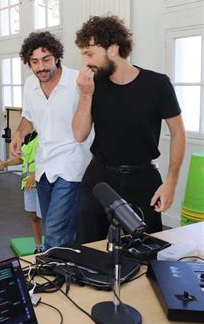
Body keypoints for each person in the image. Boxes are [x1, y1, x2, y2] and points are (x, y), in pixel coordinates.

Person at [73, 15, 186, 243]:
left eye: (90, 53)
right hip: (100, 177)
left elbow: (178, 133)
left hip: (143, 178)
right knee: (87, 248)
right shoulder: (94, 86)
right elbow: (79, 134)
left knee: (149, 250)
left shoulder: (157, 85)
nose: (85, 62)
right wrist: (86, 94)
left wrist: (171, 182)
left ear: (113, 49)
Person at [10, 31, 92, 250]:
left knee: (55, 234)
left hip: (72, 165)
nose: (41, 67)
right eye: (35, 62)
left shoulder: (78, 82)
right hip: (43, 165)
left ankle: (53, 275)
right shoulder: (30, 84)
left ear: (56, 56)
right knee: (57, 230)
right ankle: (71, 271)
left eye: (46, 60)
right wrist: (19, 134)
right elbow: (29, 116)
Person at [0, 130, 43, 253]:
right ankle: (38, 247)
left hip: (41, 182)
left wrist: (35, 175)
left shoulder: (43, 135)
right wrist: (5, 164)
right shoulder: (27, 136)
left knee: (46, 217)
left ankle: (51, 247)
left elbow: (50, 159)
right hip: (28, 184)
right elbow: (22, 159)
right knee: (34, 217)